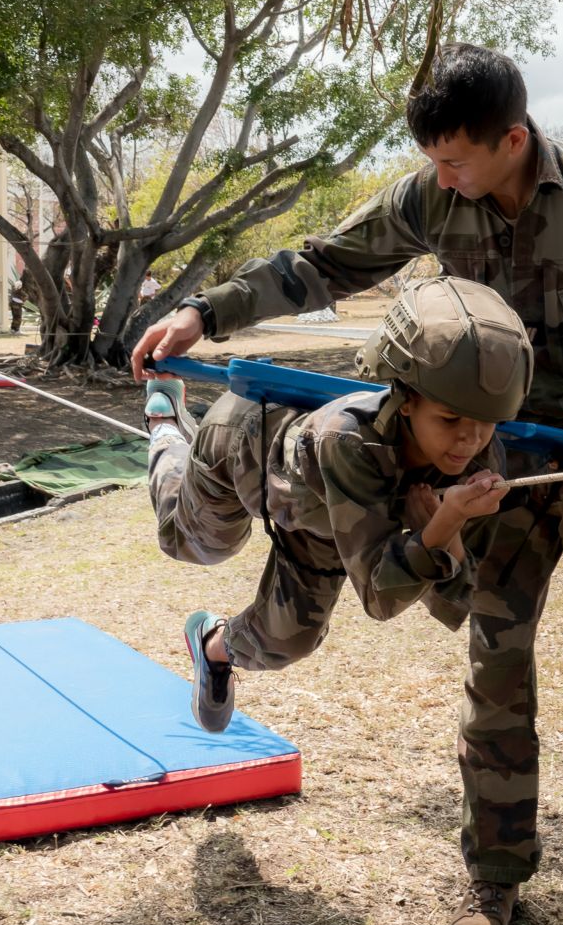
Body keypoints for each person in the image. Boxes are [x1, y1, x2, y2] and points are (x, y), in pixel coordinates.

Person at [132, 44, 563, 925]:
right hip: (487, 470)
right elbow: (324, 263)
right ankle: (494, 886)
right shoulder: (430, 195)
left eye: (455, 160)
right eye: (434, 162)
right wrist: (207, 313)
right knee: (497, 680)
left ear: (512, 140)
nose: (439, 178)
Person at [144, 276, 532, 737]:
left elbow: (451, 597)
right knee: (197, 547)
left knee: (289, 641)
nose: (469, 439)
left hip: (324, 518)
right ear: (405, 402)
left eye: (487, 423)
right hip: (242, 451)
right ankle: (165, 425)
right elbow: (380, 597)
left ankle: (211, 647)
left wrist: (447, 530)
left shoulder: (480, 458)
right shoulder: (347, 440)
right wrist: (444, 521)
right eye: (450, 420)